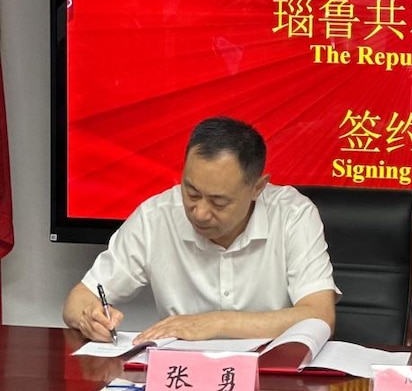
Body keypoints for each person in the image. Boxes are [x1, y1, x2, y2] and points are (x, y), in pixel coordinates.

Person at [63, 116, 339, 343]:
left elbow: (319, 315)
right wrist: (91, 318)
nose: (200, 212)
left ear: (258, 187)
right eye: (191, 192)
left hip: (267, 376)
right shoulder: (156, 216)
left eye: (219, 201)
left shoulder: (293, 215)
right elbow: (78, 300)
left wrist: (216, 322)